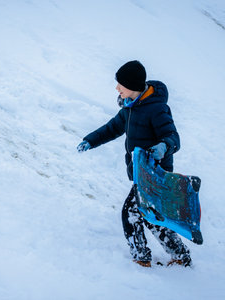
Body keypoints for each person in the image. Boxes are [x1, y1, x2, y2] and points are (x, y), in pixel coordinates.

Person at [77, 60, 191, 267]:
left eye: (121, 84)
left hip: (156, 172)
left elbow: (173, 136)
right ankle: (180, 255)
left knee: (130, 213)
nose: (117, 88)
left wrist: (163, 147)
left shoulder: (156, 109)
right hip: (141, 172)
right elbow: (112, 128)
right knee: (150, 216)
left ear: (133, 86)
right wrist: (90, 140)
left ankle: (141, 258)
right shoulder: (130, 107)